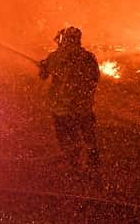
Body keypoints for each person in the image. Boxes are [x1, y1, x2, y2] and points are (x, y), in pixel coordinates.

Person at [38, 27, 101, 178]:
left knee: (67, 137)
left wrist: (43, 66)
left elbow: (43, 75)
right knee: (88, 135)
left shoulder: (56, 57)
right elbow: (95, 79)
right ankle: (93, 165)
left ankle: (74, 166)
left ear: (65, 39)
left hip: (62, 109)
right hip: (83, 107)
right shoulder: (88, 57)